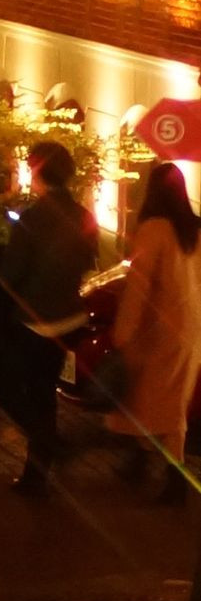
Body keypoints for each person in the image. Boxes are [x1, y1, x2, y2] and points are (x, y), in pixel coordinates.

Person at [0, 138, 96, 498]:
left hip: (35, 321)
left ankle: (51, 447)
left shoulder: (32, 219)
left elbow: (11, 274)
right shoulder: (83, 215)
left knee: (8, 389)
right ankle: (38, 471)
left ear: (39, 171)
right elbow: (87, 261)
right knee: (44, 393)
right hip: (70, 319)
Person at [105, 160, 201, 500]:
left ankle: (162, 472)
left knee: (143, 401)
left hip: (156, 332)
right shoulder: (194, 230)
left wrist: (124, 332)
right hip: (189, 331)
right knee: (170, 405)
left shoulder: (153, 229)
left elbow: (139, 288)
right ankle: (154, 467)